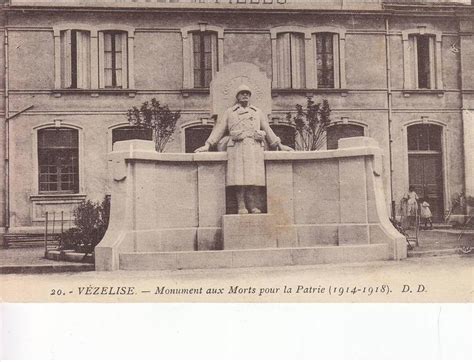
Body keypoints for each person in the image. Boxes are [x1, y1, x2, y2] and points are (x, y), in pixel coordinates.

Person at [195, 84, 293, 214]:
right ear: (237, 96)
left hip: (254, 147)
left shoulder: (257, 112)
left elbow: (267, 129)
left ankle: (252, 205)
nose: (245, 95)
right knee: (238, 178)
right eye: (242, 93)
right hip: (237, 147)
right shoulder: (230, 112)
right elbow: (219, 129)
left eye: (247, 93)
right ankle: (241, 205)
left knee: (254, 179)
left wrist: (279, 145)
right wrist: (208, 144)